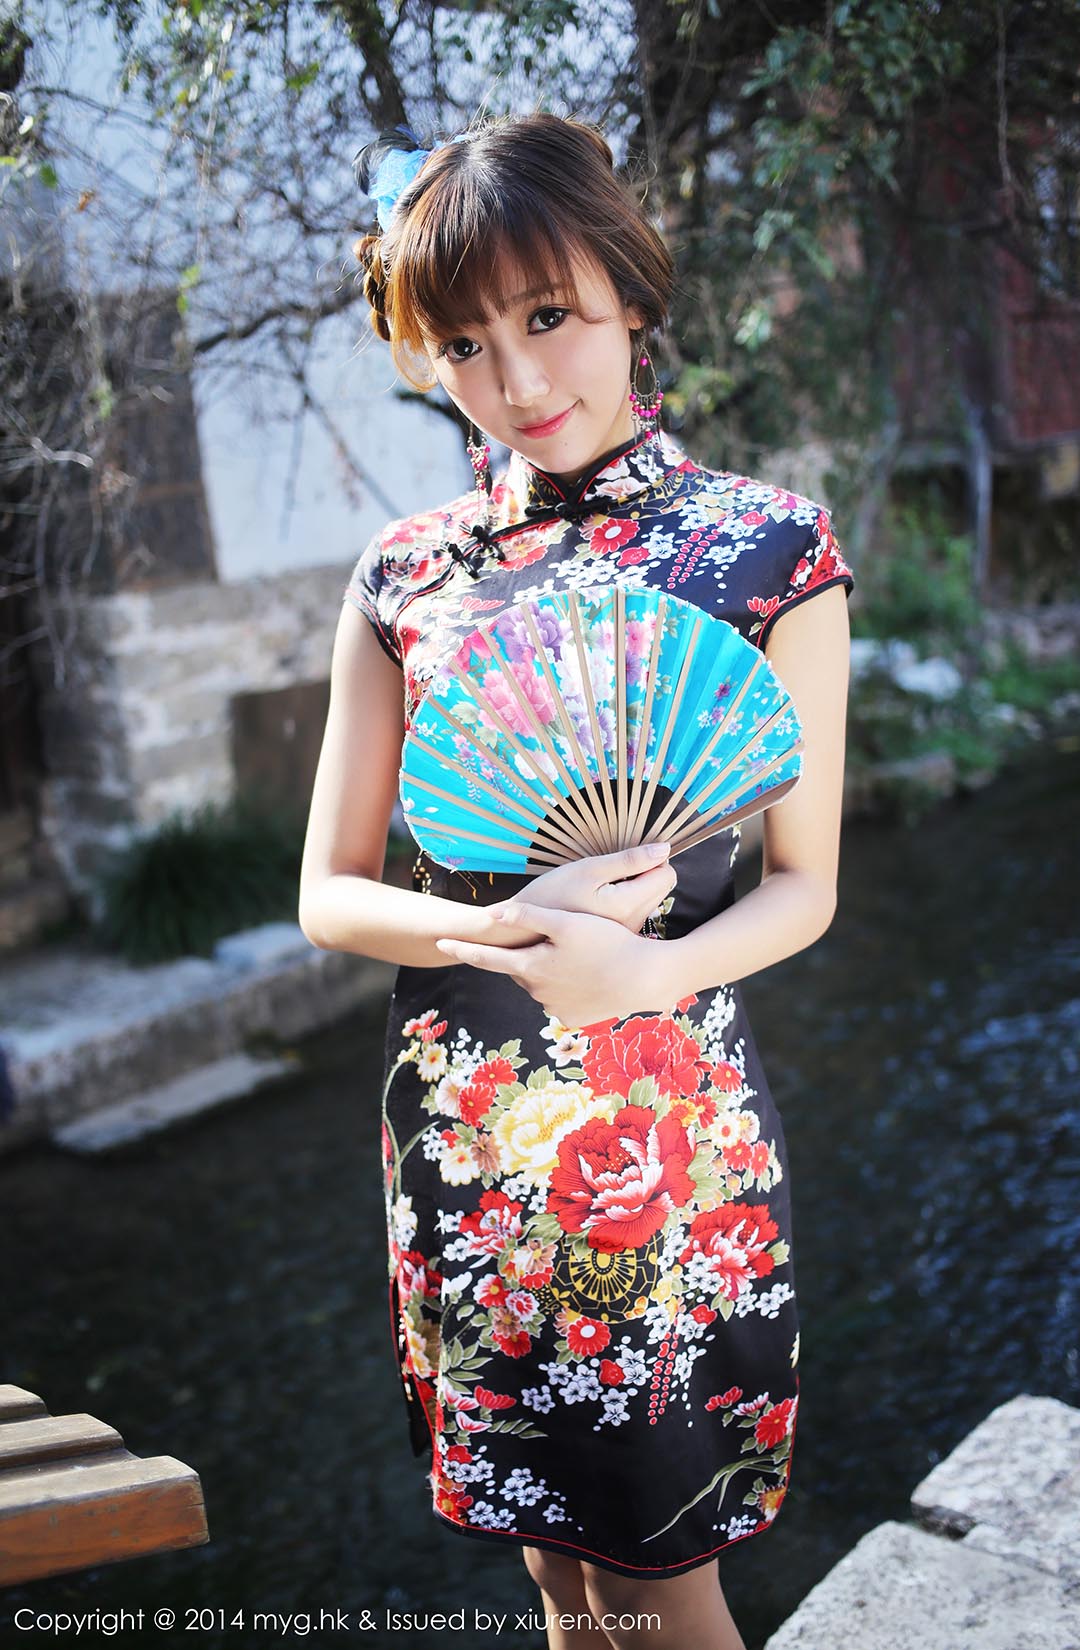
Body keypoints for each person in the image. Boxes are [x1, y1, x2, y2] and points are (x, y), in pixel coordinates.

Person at [299, 110, 855, 1650]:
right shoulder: (405, 574)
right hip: (465, 1134)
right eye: (466, 345)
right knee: (553, 1570)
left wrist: (648, 970)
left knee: (666, 1577)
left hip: (665, 1140)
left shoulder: (769, 550)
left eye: (549, 316)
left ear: (627, 287)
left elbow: (807, 883)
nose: (520, 380)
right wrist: (493, 924)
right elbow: (332, 892)